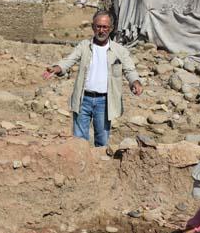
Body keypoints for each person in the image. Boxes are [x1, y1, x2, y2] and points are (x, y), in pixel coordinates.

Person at [43, 10, 143, 147]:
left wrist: (135, 82)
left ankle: (99, 167)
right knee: (79, 141)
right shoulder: (84, 46)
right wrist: (57, 68)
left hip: (104, 102)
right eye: (98, 26)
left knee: (102, 142)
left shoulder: (119, 51)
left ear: (111, 28)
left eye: (105, 27)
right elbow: (69, 60)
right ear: (93, 27)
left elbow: (129, 70)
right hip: (83, 99)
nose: (101, 30)